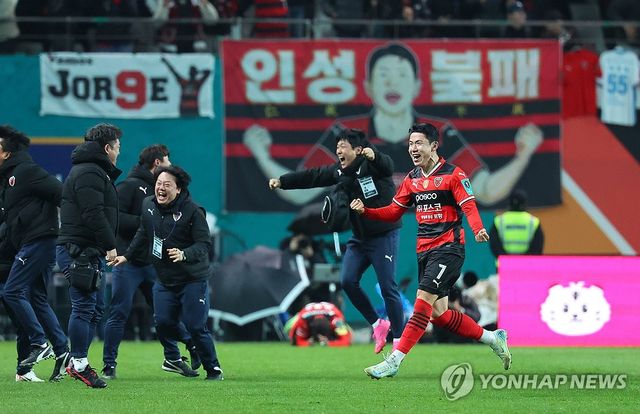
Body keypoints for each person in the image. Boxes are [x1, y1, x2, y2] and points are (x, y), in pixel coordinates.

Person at [243, 42, 543, 207]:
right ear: (368, 86)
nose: (392, 83)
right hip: (367, 232)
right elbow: (300, 192)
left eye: (401, 76)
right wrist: (261, 154)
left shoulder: (439, 132)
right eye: (383, 75)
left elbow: (485, 190)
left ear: (417, 86)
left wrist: (524, 155)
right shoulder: (347, 133)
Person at [349, 123, 512, 379]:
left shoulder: (454, 174)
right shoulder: (412, 179)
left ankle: (394, 360)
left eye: (419, 143)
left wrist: (478, 228)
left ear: (434, 146)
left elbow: (469, 206)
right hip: (424, 251)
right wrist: (366, 211)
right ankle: (493, 338)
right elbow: (393, 212)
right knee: (439, 314)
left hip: (449, 249)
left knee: (422, 302)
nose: (413, 148)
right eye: (410, 144)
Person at [269, 128, 405, 354]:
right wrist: (282, 182)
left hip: (384, 235)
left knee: (387, 287)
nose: (339, 150)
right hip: (360, 238)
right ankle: (378, 324)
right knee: (348, 281)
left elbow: (387, 166)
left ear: (358, 150)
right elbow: (312, 176)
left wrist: (375, 156)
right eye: (338, 146)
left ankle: (399, 341)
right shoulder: (339, 172)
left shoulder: (373, 165)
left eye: (344, 146)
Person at [110, 166, 223, 381]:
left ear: (178, 189)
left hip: (192, 278)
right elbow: (143, 232)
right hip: (164, 278)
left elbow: (204, 244)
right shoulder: (148, 204)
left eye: (167, 185)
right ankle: (180, 354)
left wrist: (184, 254)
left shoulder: (193, 211)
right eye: (158, 184)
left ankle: (213, 369)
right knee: (162, 323)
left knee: (195, 325)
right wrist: (127, 256)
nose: (160, 188)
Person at [102, 144, 200, 379]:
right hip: (128, 262)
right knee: (119, 312)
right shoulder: (129, 186)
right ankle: (109, 365)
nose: (170, 165)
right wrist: (147, 222)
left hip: (152, 262)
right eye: (167, 161)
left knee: (164, 314)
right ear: (157, 162)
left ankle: (176, 356)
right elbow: (114, 218)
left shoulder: (163, 189)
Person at [0, 125, 70, 382]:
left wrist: (65, 230)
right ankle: (62, 351)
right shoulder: (8, 177)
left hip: (39, 240)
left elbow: (62, 194)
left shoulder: (26, 171)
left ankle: (40, 343)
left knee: (12, 291)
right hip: (29, 243)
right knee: (37, 298)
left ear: (6, 153)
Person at [57, 123, 123, 389]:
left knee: (94, 309)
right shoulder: (89, 172)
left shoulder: (94, 171)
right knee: (84, 307)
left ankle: (77, 360)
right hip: (78, 250)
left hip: (87, 250)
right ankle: (79, 363)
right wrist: (110, 245)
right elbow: (93, 212)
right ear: (107, 148)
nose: (119, 152)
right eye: (117, 147)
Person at [489, 189, 544, 264]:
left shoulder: (499, 221)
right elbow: (537, 247)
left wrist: (507, 260)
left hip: (504, 265)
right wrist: (522, 261)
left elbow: (494, 246)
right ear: (524, 203)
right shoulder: (533, 222)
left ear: (509, 203)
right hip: (527, 265)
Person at [287, 302, 352, 347]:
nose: (320, 338)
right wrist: (307, 343)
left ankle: (334, 336)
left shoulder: (336, 321)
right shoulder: (303, 321)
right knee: (289, 327)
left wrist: (329, 343)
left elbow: (346, 341)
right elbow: (296, 341)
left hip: (332, 312)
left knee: (348, 332)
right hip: (302, 314)